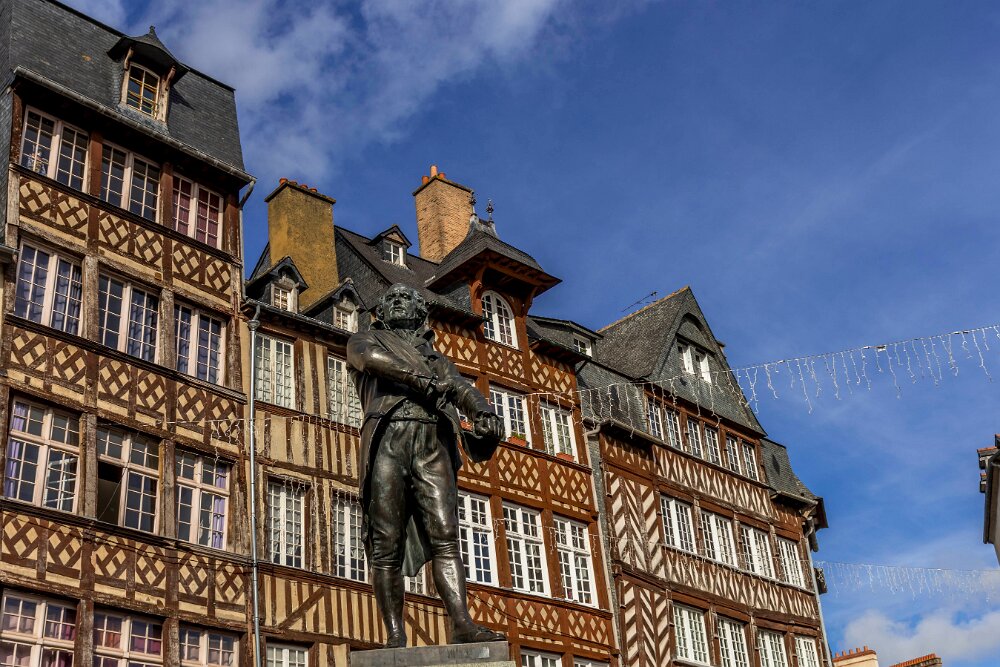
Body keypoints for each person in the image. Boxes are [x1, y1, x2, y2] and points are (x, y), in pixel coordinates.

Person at [347, 283, 507, 648]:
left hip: (433, 442)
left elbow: (461, 388)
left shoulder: (436, 358)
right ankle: (394, 633)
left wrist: (483, 412)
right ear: (380, 313)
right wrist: (423, 381)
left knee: (445, 535)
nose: (397, 302)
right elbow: (370, 359)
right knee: (386, 540)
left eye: (406, 298)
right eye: (390, 299)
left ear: (420, 312)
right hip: (388, 439)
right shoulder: (364, 339)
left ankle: (462, 623)